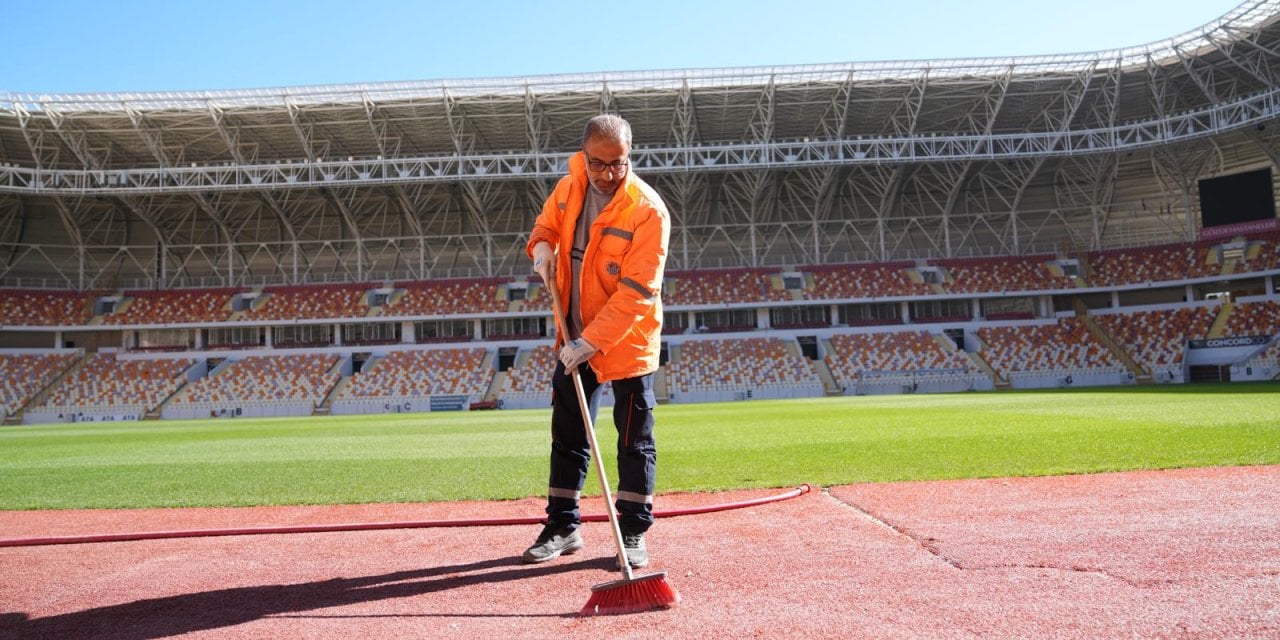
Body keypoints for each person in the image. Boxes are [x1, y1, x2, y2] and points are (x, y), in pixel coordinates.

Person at [522, 114, 671, 569]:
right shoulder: (568, 190)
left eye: (619, 163)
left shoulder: (647, 210)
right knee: (566, 434)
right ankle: (563, 525)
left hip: (625, 342)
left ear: (630, 156)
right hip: (571, 335)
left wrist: (591, 342)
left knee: (634, 440)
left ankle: (632, 531)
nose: (609, 174)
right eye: (599, 163)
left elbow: (637, 293)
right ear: (584, 157)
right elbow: (544, 229)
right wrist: (541, 249)